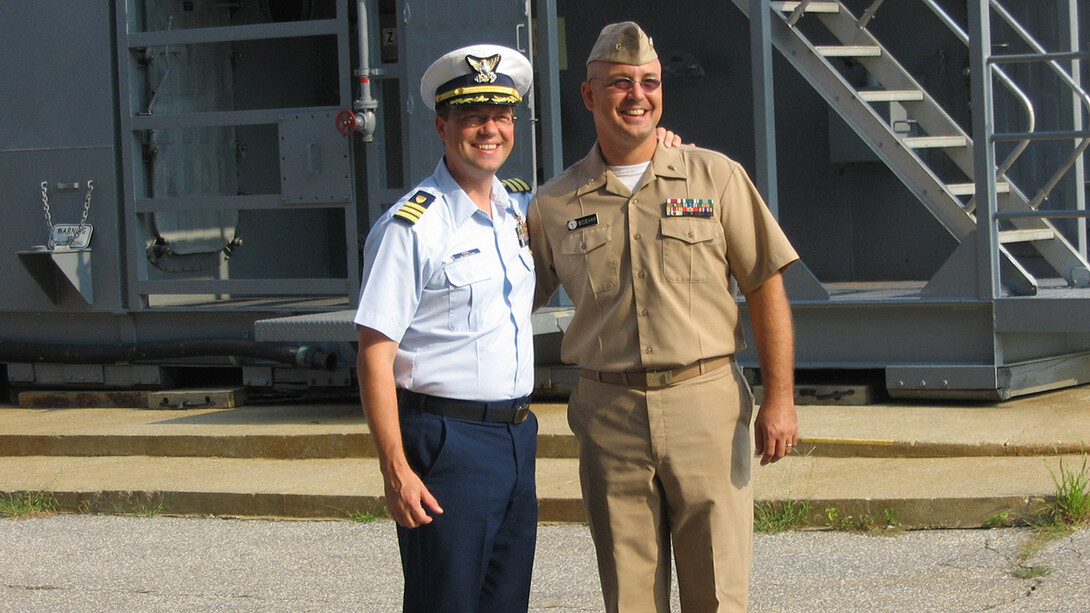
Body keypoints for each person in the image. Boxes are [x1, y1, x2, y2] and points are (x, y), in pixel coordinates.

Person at [527, 21, 800, 613]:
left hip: (704, 404)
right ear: (588, 94)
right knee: (628, 595)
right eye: (619, 83)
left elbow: (765, 286)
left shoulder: (715, 177)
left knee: (718, 594)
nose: (637, 95)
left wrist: (781, 398)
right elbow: (509, 302)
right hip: (609, 416)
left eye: (649, 82)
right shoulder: (551, 205)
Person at [354, 44, 539, 612]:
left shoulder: (518, 212)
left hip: (515, 438)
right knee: (447, 602)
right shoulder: (413, 226)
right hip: (447, 443)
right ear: (442, 126)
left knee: (505, 602)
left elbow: (599, 194)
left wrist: (661, 149)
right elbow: (374, 354)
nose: (490, 129)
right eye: (471, 117)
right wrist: (395, 470)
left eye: (501, 115)